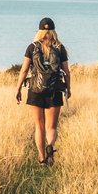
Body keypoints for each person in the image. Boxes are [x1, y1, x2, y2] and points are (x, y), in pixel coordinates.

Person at [15, 17, 71, 165]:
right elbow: (66, 72)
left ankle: (41, 158)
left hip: (35, 91)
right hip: (55, 90)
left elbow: (24, 70)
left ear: (39, 31)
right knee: (51, 127)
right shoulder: (60, 47)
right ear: (53, 31)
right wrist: (68, 88)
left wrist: (18, 88)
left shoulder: (32, 47)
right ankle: (50, 147)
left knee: (39, 126)